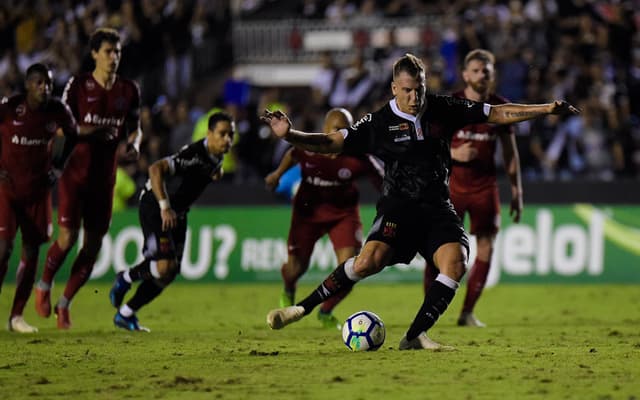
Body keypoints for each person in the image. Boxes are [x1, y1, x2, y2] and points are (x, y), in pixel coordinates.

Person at [261, 53, 579, 350]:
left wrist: (546, 109)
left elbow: (496, 113)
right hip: (398, 208)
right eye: (409, 91)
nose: (416, 98)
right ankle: (302, 308)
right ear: (395, 88)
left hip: (437, 206)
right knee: (366, 263)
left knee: (456, 262)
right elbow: (330, 143)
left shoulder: (443, 107)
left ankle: (414, 336)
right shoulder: (378, 123)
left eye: (421, 89)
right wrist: (292, 135)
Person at [34, 28, 143, 329]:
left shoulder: (129, 90)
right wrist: (91, 132)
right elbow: (60, 128)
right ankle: (43, 286)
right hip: (75, 174)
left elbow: (135, 127)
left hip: (104, 179)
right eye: (108, 51)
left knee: (93, 246)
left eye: (117, 52)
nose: (113, 57)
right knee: (67, 238)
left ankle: (65, 304)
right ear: (94, 53)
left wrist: (134, 144)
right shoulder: (78, 86)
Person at [422, 49, 522, 328]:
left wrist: (517, 191)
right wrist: (454, 155)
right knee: (436, 251)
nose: (481, 75)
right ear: (465, 75)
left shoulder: (500, 106)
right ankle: (428, 311)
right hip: (449, 188)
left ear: (492, 75)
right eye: (476, 70)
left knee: (486, 247)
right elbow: (428, 143)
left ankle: (466, 313)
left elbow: (510, 153)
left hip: (484, 188)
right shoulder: (450, 104)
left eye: (486, 71)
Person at [108, 112, 234, 331]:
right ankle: (126, 277)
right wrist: (165, 207)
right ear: (209, 134)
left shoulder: (216, 156)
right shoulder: (195, 154)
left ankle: (126, 314)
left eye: (231, 134)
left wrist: (216, 171)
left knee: (169, 274)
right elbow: (155, 169)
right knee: (163, 266)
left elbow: (208, 171)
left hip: (178, 213)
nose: (227, 140)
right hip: (156, 207)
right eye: (222, 134)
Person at [264, 108, 383, 330]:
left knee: (352, 267)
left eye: (345, 131)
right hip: (308, 213)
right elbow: (293, 153)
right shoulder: (311, 148)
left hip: (343, 214)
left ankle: (326, 311)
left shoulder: (358, 156)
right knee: (295, 268)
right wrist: (277, 174)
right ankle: (289, 288)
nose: (340, 135)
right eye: (336, 130)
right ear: (325, 130)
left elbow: (384, 179)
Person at [0, 63, 78, 333]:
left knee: (31, 251)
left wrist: (58, 166)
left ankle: (16, 317)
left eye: (49, 83)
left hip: (37, 192)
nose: (45, 88)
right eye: (40, 83)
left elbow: (73, 134)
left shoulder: (57, 110)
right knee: (3, 249)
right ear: (28, 86)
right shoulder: (10, 107)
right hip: (7, 190)